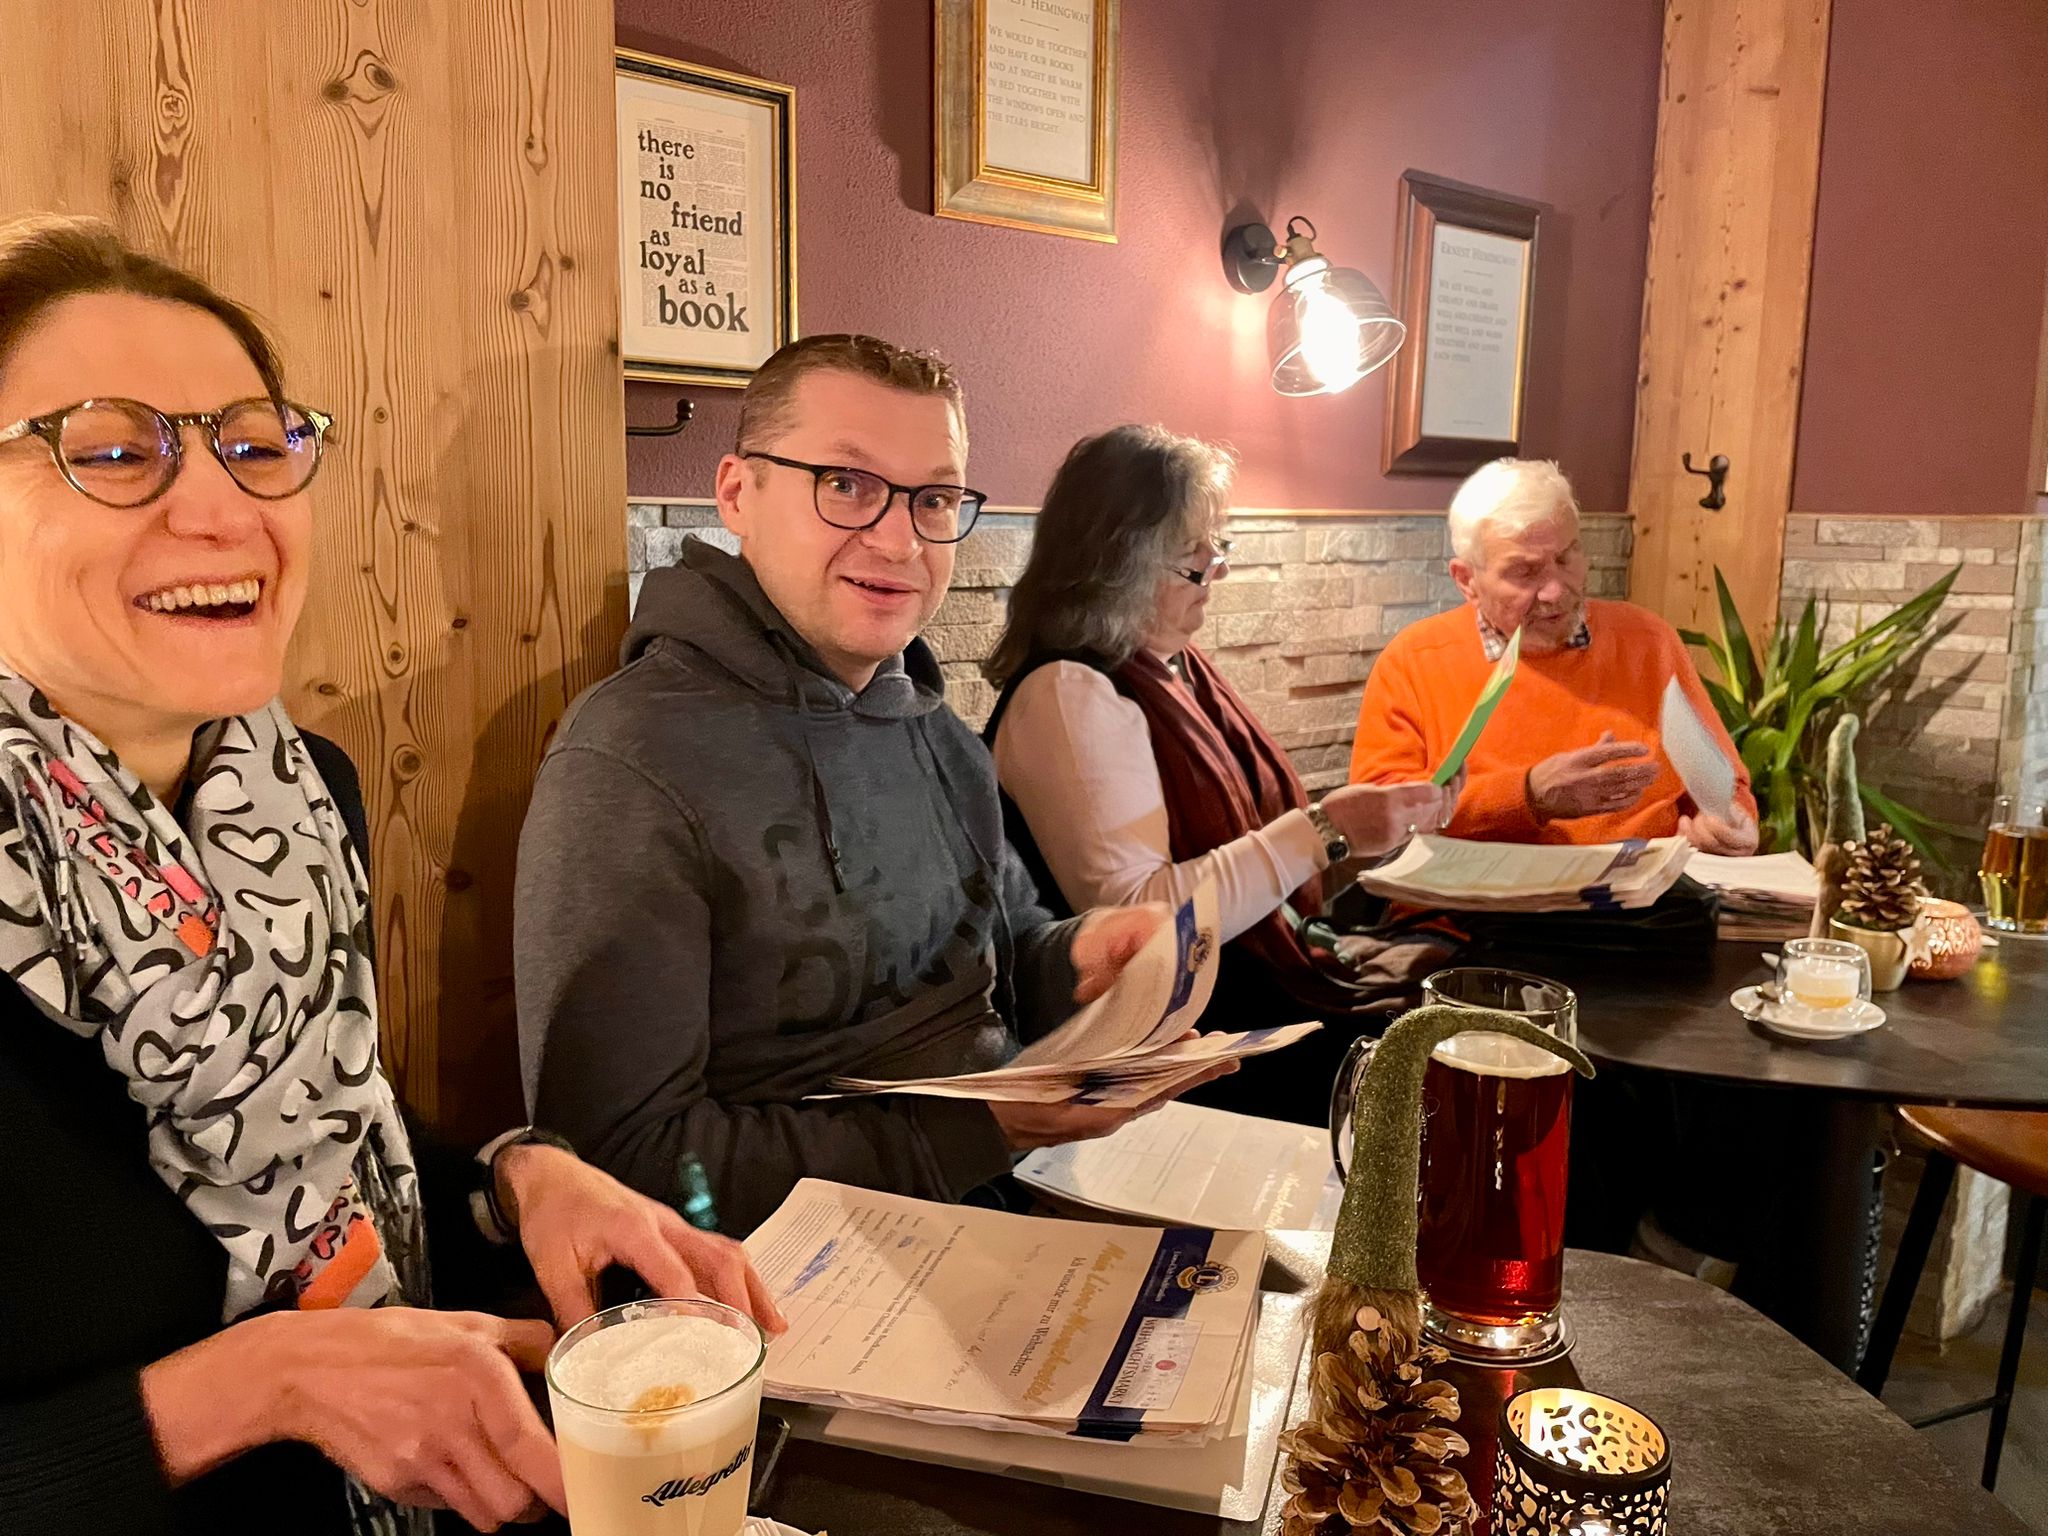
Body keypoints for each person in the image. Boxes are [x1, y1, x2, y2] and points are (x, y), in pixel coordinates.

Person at [0, 214, 781, 1536]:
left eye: (255, 446)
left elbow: (324, 1140)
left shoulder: (298, 795)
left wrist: (519, 1180)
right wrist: (247, 1390)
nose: (222, 508)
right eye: (115, 452)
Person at [516, 337, 1222, 1238]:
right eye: (845, 484)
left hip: (1017, 1198)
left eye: (933, 499)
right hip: (792, 1274)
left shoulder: (937, 731)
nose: (898, 540)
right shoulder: (632, 760)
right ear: (737, 493)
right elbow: (622, 1166)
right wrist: (980, 1130)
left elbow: (1003, 956)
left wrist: (1086, 958)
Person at [982, 425, 1455, 1118]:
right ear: (1118, 563)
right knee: (1444, 1060)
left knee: (1464, 987)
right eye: (1192, 558)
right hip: (1180, 1034)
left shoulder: (1173, 665)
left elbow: (1254, 862)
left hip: (1247, 981)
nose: (1218, 571)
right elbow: (1140, 916)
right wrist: (1324, 832)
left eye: (1216, 546)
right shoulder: (1067, 693)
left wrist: (1359, 835)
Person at [1349, 457, 1758, 852]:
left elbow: (1726, 787)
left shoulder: (1649, 641)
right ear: (1467, 580)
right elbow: (1376, 821)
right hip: (1484, 895)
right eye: (1525, 572)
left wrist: (1729, 824)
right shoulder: (1415, 661)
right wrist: (1527, 795)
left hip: (1644, 891)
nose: (1555, 589)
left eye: (1565, 558)